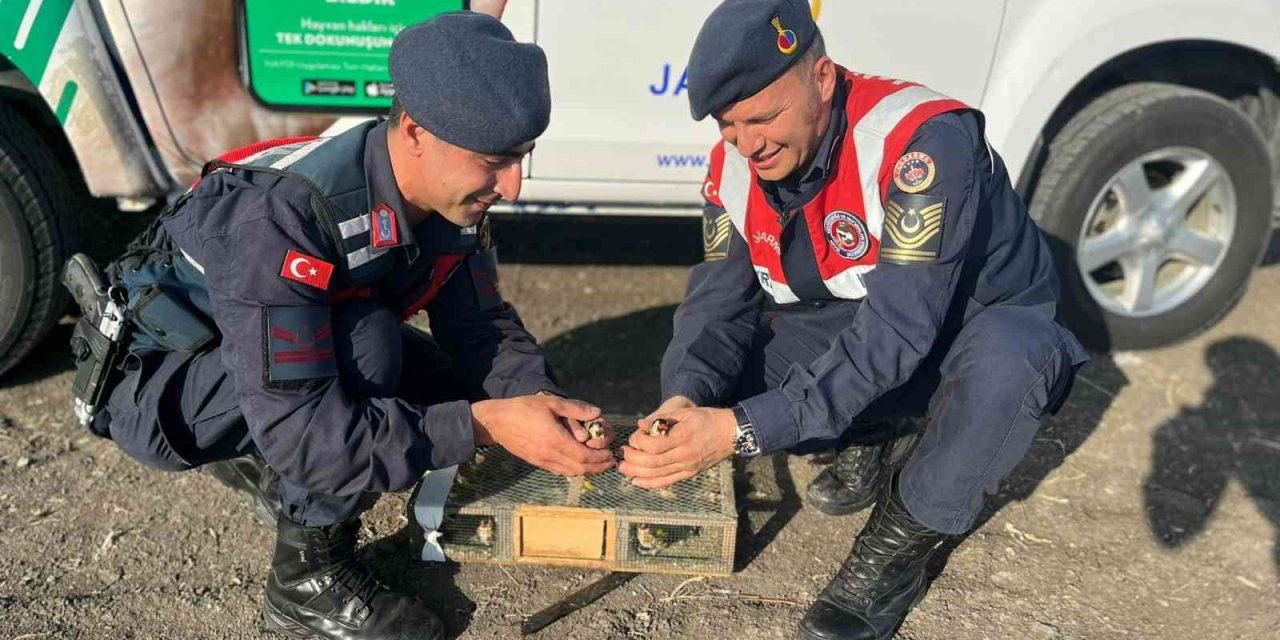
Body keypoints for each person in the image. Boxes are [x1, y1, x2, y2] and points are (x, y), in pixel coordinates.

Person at [61, 12, 615, 640]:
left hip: (258, 365)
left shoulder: (449, 198)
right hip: (158, 390)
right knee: (371, 352)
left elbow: (482, 325)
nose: (512, 187)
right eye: (494, 162)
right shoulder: (283, 214)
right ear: (414, 132)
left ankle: (273, 464)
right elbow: (309, 435)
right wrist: (486, 425)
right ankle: (305, 581)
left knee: (440, 379)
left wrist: (537, 400)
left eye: (520, 158)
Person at [619, 1, 1089, 638]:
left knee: (1013, 362)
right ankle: (877, 429)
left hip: (975, 322)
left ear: (822, 78)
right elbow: (716, 302)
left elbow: (900, 330)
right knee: (730, 378)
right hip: (872, 314)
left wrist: (739, 432)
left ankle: (894, 551)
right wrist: (686, 399)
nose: (747, 143)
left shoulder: (921, 142)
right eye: (730, 125)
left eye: (763, 117)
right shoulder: (733, 163)